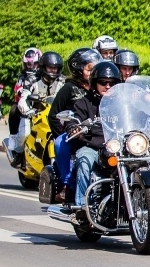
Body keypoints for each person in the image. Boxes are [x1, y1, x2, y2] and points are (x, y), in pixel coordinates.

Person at [49, 48, 103, 202]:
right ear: (78, 69)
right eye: (89, 69)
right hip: (73, 129)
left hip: (95, 133)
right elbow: (54, 115)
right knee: (60, 144)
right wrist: (62, 133)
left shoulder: (99, 87)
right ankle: (66, 184)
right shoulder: (69, 88)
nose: (92, 72)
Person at [68, 61, 122, 211]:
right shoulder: (85, 103)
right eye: (103, 82)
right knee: (84, 162)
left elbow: (136, 115)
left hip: (118, 148)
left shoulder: (120, 104)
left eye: (112, 83)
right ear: (94, 83)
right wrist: (74, 127)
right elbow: (75, 118)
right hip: (92, 147)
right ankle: (81, 208)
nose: (107, 86)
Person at [5, 48, 42, 156]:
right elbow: (17, 88)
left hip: (41, 107)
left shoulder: (43, 76)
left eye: (34, 64)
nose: (31, 67)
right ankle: (13, 137)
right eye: (28, 65)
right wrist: (20, 90)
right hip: (26, 107)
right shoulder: (22, 76)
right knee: (14, 109)